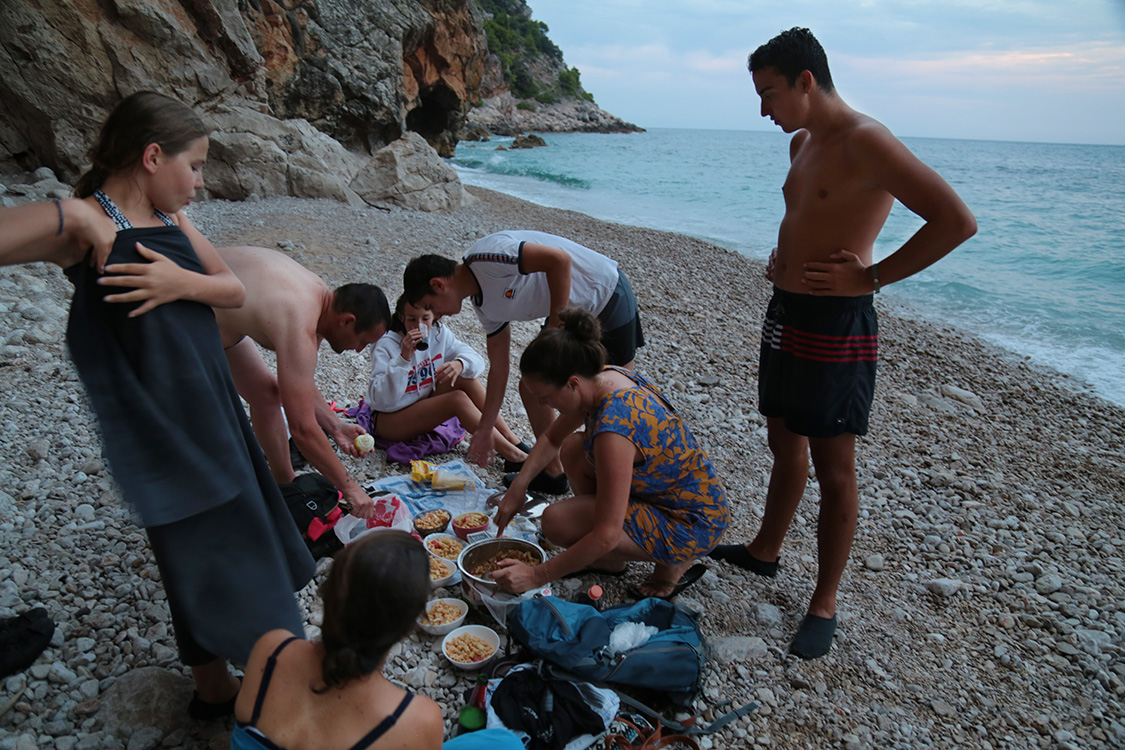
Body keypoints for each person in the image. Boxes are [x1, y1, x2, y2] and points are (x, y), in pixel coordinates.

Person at [0, 91, 315, 717]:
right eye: (194, 165)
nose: (200, 181)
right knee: (231, 557)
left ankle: (212, 690)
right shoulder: (90, 222)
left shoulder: (172, 223)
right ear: (151, 156)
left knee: (197, 557)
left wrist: (179, 282)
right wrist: (75, 216)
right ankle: (289, 695)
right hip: (170, 434)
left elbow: (227, 287)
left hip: (216, 415)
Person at [708, 28, 977, 658]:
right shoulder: (803, 141)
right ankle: (766, 550)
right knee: (782, 437)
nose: (764, 110)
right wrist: (784, 257)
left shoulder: (869, 141)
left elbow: (956, 221)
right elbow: (807, 212)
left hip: (837, 324)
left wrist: (874, 275)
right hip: (787, 309)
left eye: (769, 94)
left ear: (806, 81)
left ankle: (824, 601)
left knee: (835, 466)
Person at [490, 310, 728, 600]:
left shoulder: (613, 430)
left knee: (556, 521)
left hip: (691, 522)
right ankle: (610, 561)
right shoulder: (601, 378)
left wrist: (536, 575)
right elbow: (553, 436)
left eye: (545, 397)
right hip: (665, 493)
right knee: (574, 447)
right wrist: (519, 486)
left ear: (572, 383)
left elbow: (606, 534)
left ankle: (670, 564)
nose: (542, 403)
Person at [232, 530, 522, 750]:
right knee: (506, 743)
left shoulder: (271, 649)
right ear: (408, 627)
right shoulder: (415, 718)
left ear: (326, 593)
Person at [403, 230, 644, 495]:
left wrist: (554, 331)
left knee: (614, 402)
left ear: (438, 285)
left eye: (430, 307)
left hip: (605, 293)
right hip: (570, 315)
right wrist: (484, 429)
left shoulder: (487, 258)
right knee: (533, 386)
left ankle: (626, 488)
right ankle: (554, 471)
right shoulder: (485, 307)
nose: (434, 316)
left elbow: (559, 261)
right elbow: (499, 367)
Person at [213, 246, 391, 518]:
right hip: (182, 309)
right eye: (363, 341)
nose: (358, 350)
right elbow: (302, 428)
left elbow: (300, 384)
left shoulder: (320, 297)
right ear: (347, 321)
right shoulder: (300, 324)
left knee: (267, 394)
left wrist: (337, 425)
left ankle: (284, 484)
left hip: (222, 315)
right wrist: (350, 488)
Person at [366, 295, 528, 464]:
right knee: (457, 400)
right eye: (411, 319)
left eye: (425, 318)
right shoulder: (386, 343)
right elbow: (381, 399)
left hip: (420, 401)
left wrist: (460, 364)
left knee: (465, 378)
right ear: (401, 317)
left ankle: (512, 440)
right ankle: (515, 457)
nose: (418, 325)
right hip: (389, 419)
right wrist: (403, 359)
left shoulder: (438, 333)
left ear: (434, 316)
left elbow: (477, 361)